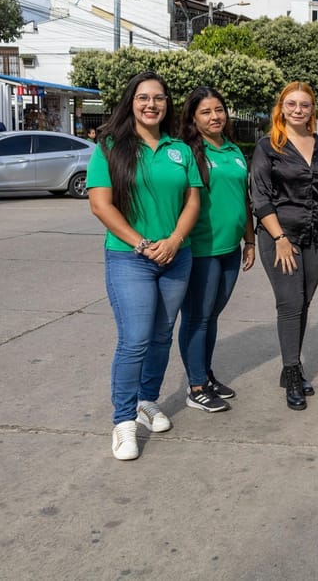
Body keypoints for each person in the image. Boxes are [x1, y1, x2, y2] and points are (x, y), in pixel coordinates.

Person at [87, 71, 202, 461]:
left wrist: (173, 242)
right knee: (135, 338)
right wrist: (142, 243)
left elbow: (192, 202)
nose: (151, 104)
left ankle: (147, 401)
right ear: (131, 102)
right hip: (129, 257)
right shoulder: (110, 146)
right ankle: (122, 422)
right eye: (143, 98)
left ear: (167, 104)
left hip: (174, 256)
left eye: (159, 98)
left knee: (161, 335)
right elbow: (101, 205)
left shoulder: (179, 149)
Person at [251, 81, 318, 411]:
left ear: (311, 109)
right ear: (282, 108)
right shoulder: (268, 145)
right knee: (289, 302)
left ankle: (291, 365)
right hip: (280, 237)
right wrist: (279, 239)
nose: (298, 110)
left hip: (317, 237)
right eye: (292, 104)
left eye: (304, 105)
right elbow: (260, 197)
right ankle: (292, 372)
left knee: (303, 304)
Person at [177, 87, 255, 413]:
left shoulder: (233, 149)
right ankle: (195, 387)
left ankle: (205, 376)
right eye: (206, 112)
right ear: (193, 118)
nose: (215, 117)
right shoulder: (187, 152)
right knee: (197, 317)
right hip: (200, 249)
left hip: (230, 249)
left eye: (219, 110)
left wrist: (249, 240)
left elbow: (243, 198)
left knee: (212, 316)